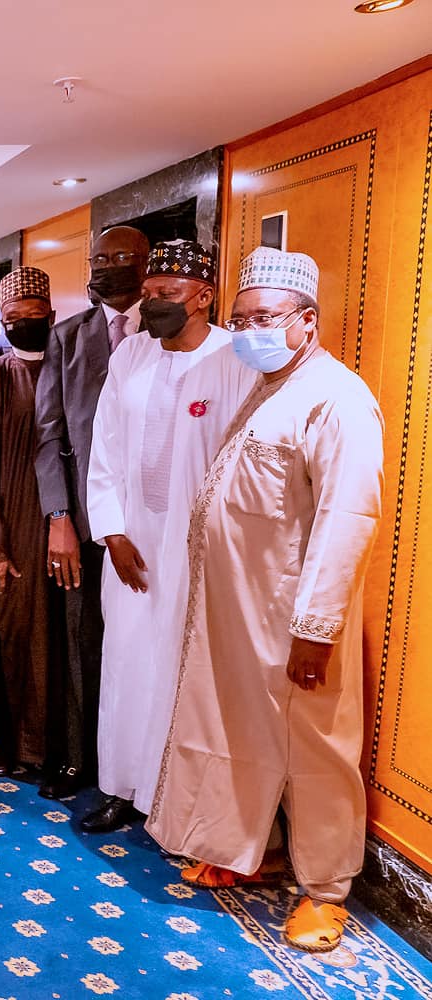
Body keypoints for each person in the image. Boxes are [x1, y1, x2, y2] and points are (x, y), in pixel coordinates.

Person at [148, 248, 384, 954]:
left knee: (316, 749)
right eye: (241, 318)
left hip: (295, 618)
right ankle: (256, 848)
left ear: (306, 322)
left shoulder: (336, 398)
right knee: (243, 735)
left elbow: (348, 519)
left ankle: (326, 892)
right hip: (240, 611)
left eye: (266, 319)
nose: (250, 330)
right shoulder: (272, 384)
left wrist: (315, 627)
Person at [81, 240, 255, 833]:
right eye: (150, 293)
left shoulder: (235, 358)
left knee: (183, 670)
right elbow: (103, 447)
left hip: (198, 550)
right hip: (130, 544)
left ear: (204, 297)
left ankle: (171, 799)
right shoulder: (131, 354)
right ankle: (118, 787)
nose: (153, 303)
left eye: (168, 295)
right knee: (126, 663)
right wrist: (111, 531)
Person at [33, 224, 150, 799]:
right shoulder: (69, 337)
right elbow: (49, 433)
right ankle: (84, 760)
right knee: (83, 640)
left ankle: (142, 771)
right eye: (98, 258)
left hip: (151, 526)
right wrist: (58, 516)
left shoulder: (171, 331)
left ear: (146, 264)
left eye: (121, 257)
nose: (105, 267)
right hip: (79, 523)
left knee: (142, 649)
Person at [0, 267, 60, 779]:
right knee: (12, 636)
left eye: (32, 316)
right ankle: (12, 745)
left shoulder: (69, 368)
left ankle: (56, 749)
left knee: (59, 642)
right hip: (10, 529)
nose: (23, 324)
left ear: (50, 316)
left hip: (66, 527)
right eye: (13, 318)